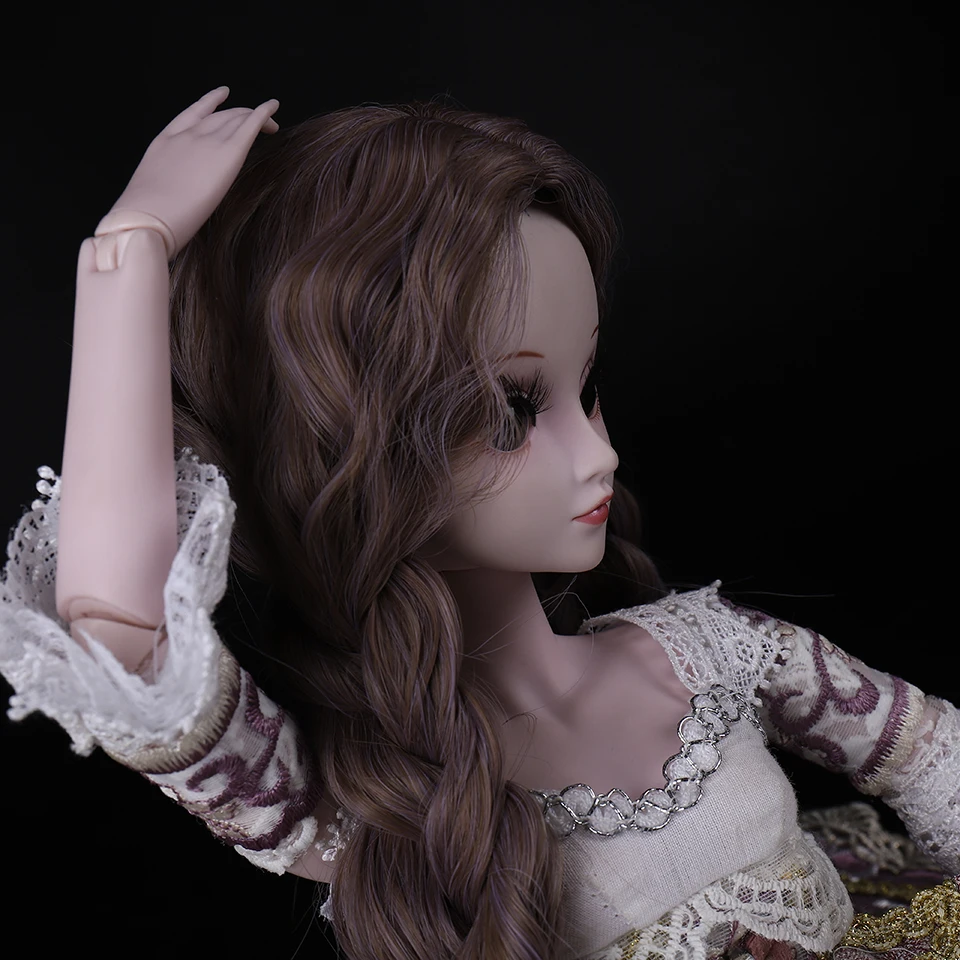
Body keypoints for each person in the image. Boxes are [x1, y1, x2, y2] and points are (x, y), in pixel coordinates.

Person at [0, 87, 956, 960]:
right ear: (347, 456)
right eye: (511, 412)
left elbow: (935, 758)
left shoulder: (715, 652)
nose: (597, 454)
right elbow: (122, 643)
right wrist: (125, 260)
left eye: (587, 389)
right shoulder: (372, 803)